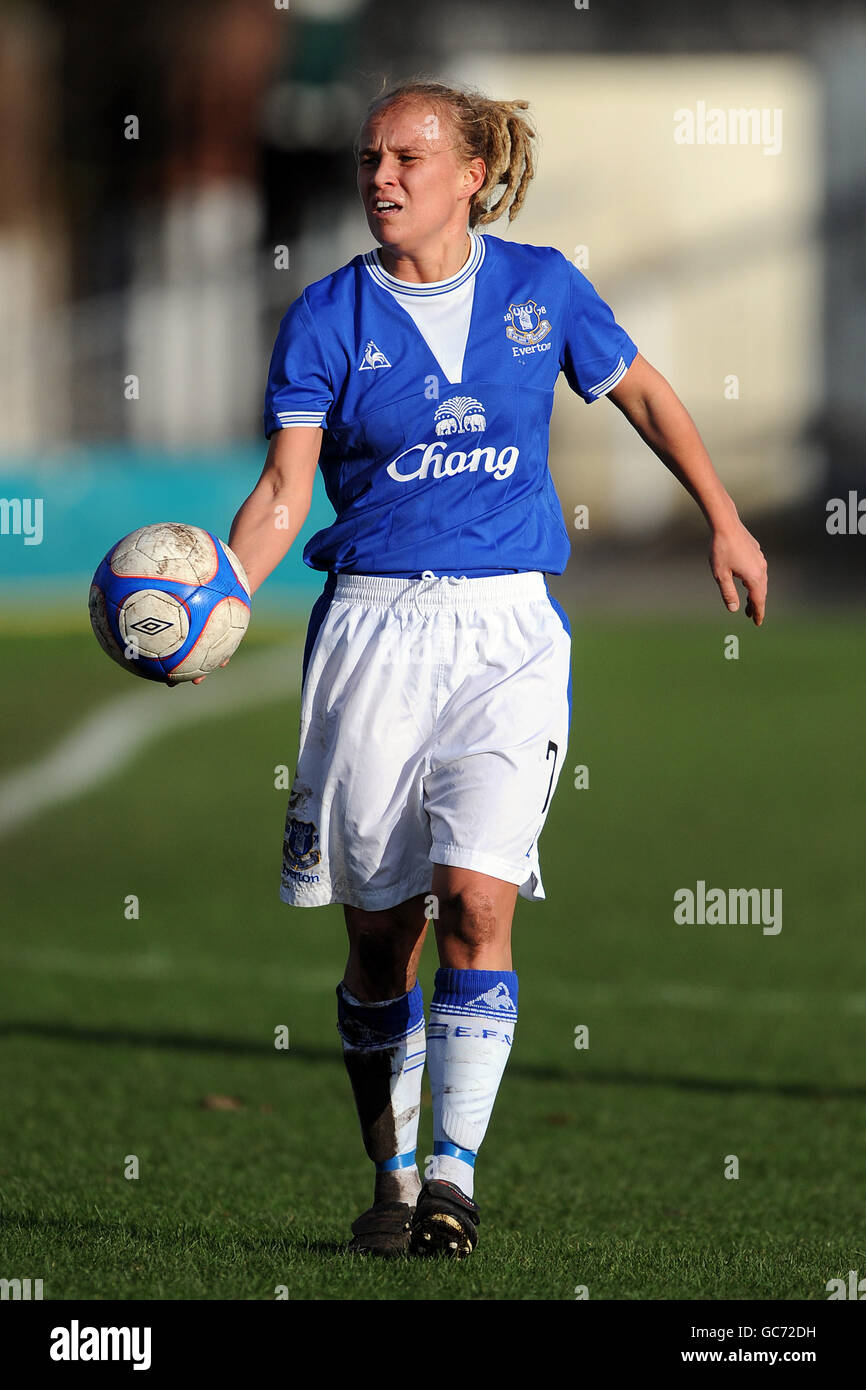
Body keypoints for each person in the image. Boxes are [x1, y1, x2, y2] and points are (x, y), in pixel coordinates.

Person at [208, 80, 768, 1260]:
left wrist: (722, 515)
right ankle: (392, 1175)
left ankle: (453, 1180)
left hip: (507, 632)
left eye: (408, 157)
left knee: (477, 899)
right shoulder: (323, 316)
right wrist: (221, 599)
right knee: (379, 940)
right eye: (369, 159)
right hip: (367, 635)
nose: (381, 179)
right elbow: (280, 493)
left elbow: (646, 394)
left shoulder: (541, 289)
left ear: (469, 173)